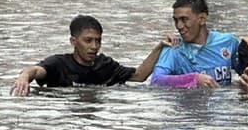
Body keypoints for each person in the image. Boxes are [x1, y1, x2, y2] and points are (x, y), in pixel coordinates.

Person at [11, 15, 173, 96]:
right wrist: (23, 77)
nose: (94, 47)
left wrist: (159, 47)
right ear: (74, 41)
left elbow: (139, 76)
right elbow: (35, 71)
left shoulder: (106, 65)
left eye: (98, 41)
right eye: (88, 41)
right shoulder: (59, 64)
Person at [151, 0, 239, 88]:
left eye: (184, 19)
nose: (179, 26)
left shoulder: (228, 42)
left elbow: (245, 72)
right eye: (176, 20)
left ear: (202, 19)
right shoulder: (173, 49)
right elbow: (156, 80)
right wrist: (194, 79)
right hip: (190, 101)